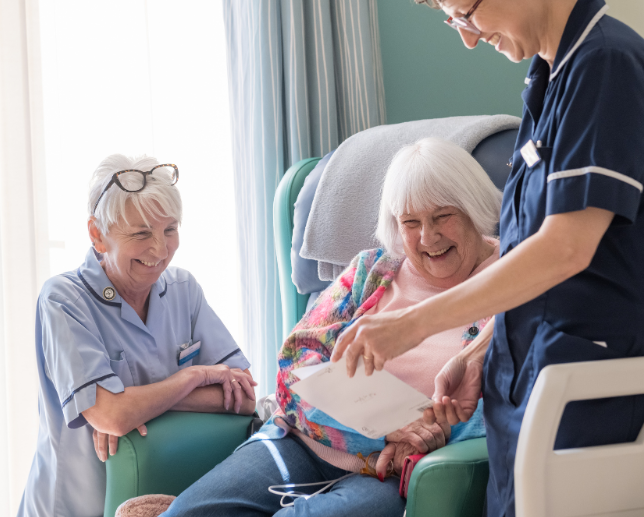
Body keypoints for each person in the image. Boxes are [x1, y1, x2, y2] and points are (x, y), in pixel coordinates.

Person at [331, 0, 644, 516]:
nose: (471, 41)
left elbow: (567, 247)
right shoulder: (551, 78)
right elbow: (529, 251)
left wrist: (413, 324)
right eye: (457, 24)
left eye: (469, 16)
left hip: (602, 374)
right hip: (534, 373)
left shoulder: (608, 67)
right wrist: (480, 350)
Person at [153, 138, 502, 517]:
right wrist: (382, 430)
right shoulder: (373, 270)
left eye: (443, 216)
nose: (427, 237)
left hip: (387, 475)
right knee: (185, 514)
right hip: (303, 444)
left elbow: (506, 404)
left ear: (473, 206)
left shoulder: (517, 279)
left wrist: (426, 437)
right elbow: (293, 366)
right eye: (410, 222)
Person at [17, 154, 257, 517]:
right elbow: (112, 415)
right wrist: (193, 377)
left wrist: (138, 402)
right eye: (141, 233)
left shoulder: (183, 290)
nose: (160, 250)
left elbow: (245, 397)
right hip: (75, 506)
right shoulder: (63, 300)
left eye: (170, 230)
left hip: (158, 502)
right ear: (97, 235)